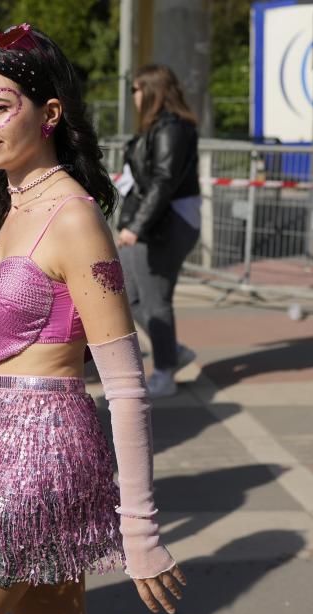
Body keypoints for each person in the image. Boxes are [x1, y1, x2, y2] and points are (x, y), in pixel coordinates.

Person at [0, 24, 187, 614]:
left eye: (0, 107)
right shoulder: (15, 206)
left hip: (39, 464)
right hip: (2, 450)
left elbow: (127, 385)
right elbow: (0, 357)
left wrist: (140, 530)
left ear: (50, 112)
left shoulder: (75, 219)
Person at [117, 64, 201, 398]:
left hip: (164, 223)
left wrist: (136, 226)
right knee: (126, 293)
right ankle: (173, 352)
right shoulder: (157, 127)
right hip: (150, 221)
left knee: (155, 301)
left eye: (136, 89)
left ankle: (166, 371)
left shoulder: (173, 128)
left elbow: (163, 181)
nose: (133, 96)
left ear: (151, 90)